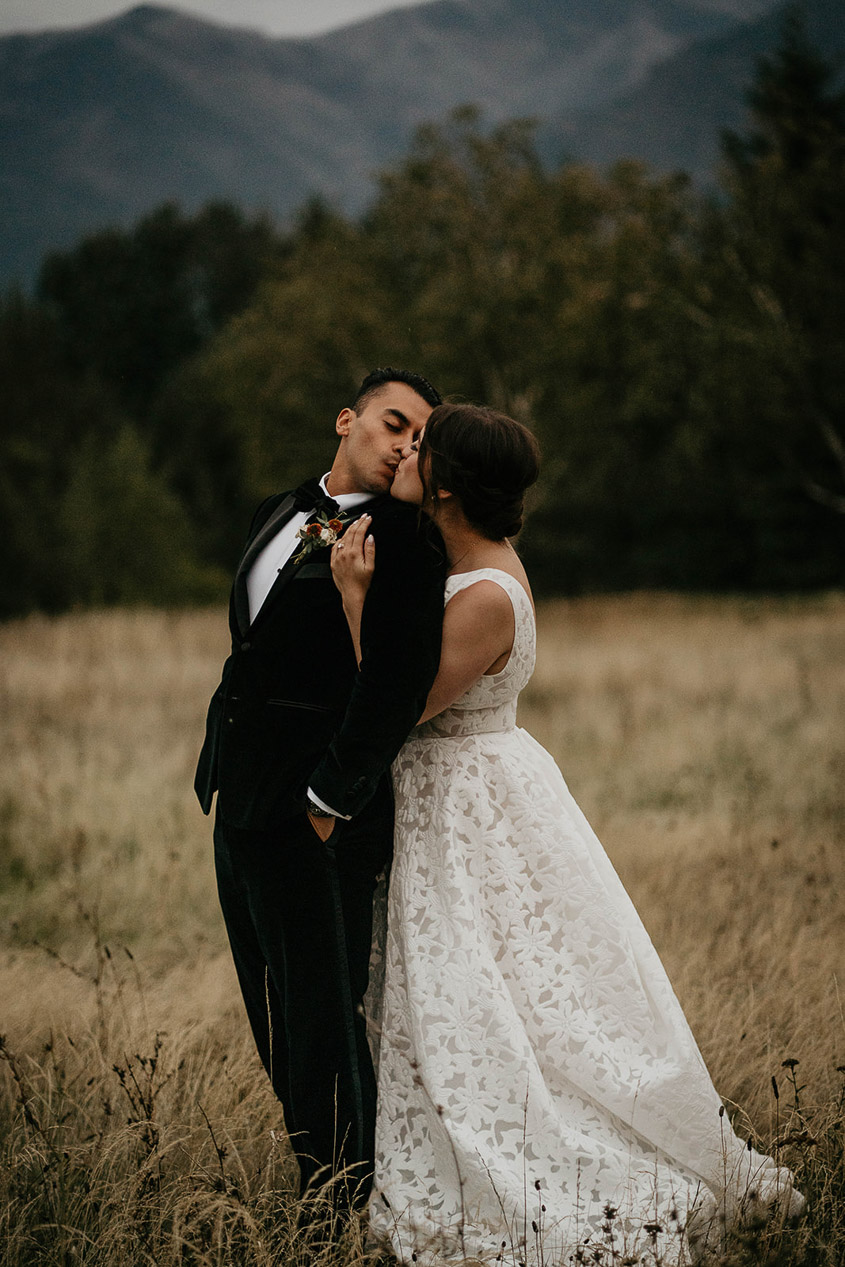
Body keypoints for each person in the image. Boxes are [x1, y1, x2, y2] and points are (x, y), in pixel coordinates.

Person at [330, 402, 804, 1266]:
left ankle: (546, 1167)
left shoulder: (483, 596)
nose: (404, 449)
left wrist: (355, 600)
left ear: (443, 484)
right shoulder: (453, 561)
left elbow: (396, 707)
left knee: (495, 987)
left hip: (469, 802)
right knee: (487, 984)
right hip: (455, 795)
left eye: (420, 445)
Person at [194, 368, 447, 1208]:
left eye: (419, 437)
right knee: (270, 1008)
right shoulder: (280, 507)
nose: (404, 444)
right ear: (347, 419)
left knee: (321, 1022)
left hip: (316, 814)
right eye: (391, 422)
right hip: (239, 796)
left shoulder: (406, 541)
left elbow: (395, 685)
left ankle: (339, 1208)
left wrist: (329, 803)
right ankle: (328, 1179)